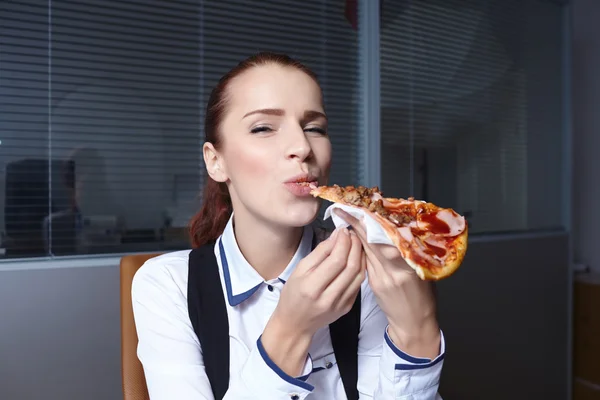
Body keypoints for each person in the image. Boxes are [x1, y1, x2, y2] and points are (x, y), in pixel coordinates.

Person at [131, 52, 445, 399]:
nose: (302, 147)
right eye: (263, 127)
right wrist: (291, 328)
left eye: (315, 128)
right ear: (215, 161)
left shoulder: (369, 269)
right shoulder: (168, 286)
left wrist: (418, 330)